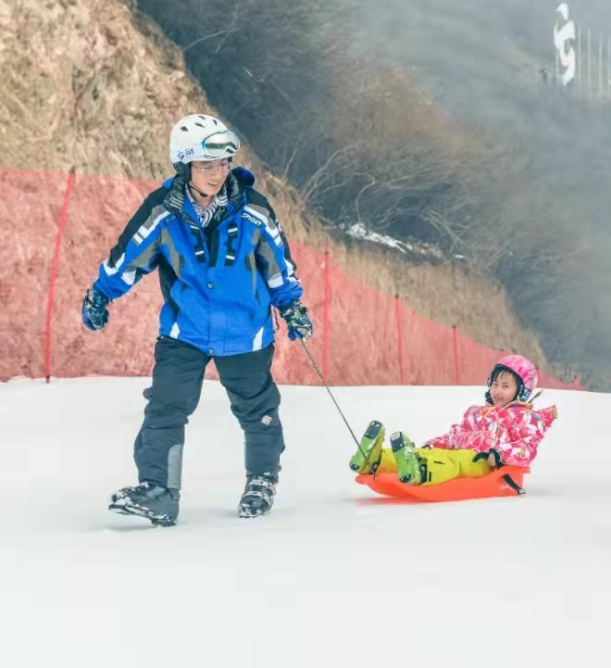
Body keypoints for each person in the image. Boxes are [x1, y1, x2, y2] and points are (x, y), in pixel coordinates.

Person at [82, 113, 313, 527]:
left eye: (223, 164)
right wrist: (101, 293)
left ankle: (261, 478)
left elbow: (278, 266)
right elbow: (129, 257)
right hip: (184, 329)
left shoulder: (253, 211)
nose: (217, 173)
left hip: (245, 329)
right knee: (166, 407)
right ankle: (159, 490)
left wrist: (292, 305)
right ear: (184, 165)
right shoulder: (163, 212)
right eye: (207, 165)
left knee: (257, 407)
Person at [349, 355, 557, 487]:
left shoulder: (524, 418)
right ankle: (376, 459)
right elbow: (455, 434)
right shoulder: (477, 412)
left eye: (505, 386)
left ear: (521, 391)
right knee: (429, 453)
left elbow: (526, 448)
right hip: (456, 450)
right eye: (494, 384)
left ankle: (421, 471)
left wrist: (499, 455)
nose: (497, 391)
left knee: (453, 463)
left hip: (482, 462)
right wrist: (434, 443)